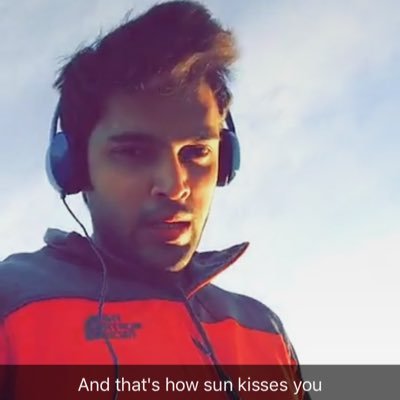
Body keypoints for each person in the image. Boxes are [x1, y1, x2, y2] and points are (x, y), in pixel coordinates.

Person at [0, 1, 307, 398]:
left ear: (225, 159)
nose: (174, 185)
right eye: (133, 152)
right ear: (74, 167)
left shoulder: (263, 330)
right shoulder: (11, 303)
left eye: (197, 152)